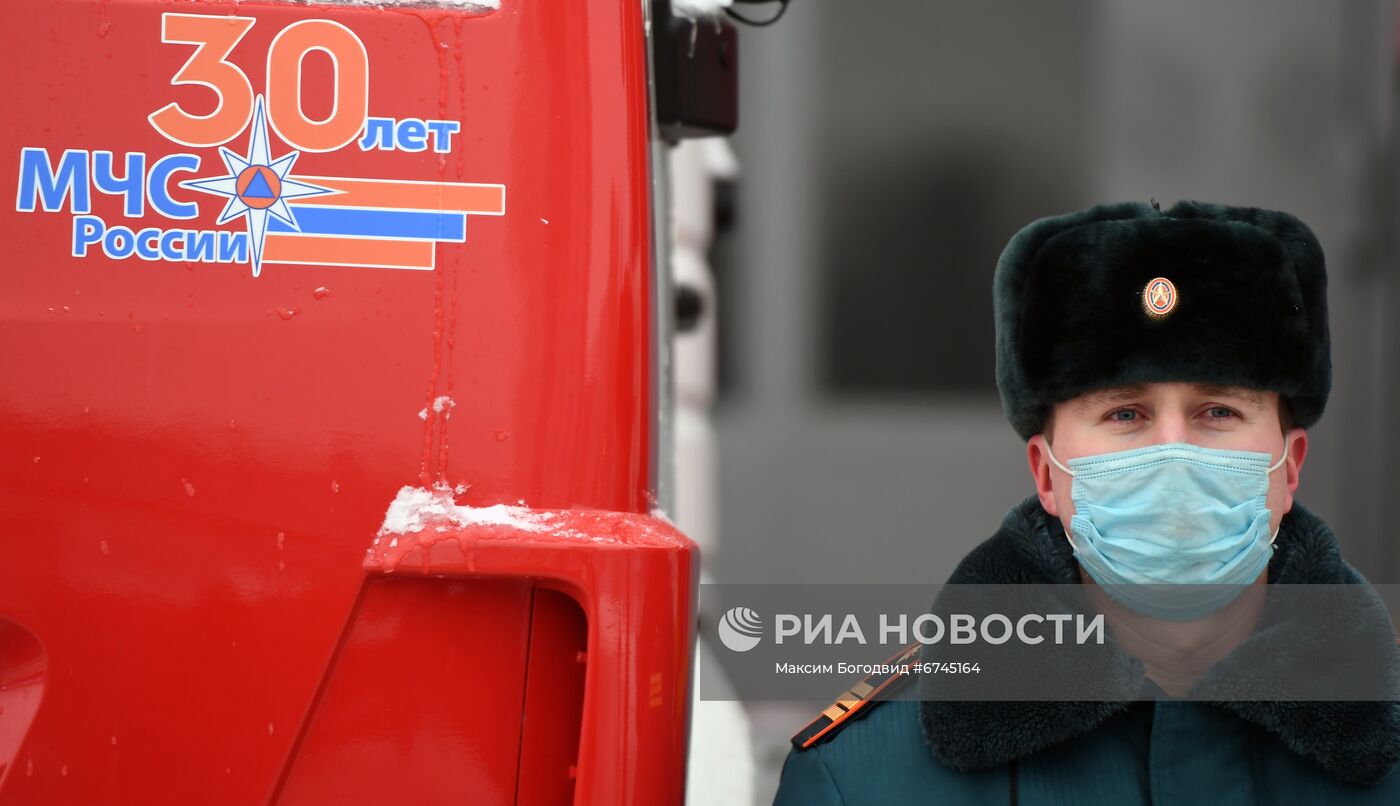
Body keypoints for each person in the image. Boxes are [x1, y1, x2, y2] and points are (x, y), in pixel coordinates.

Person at [772, 200, 1400, 804]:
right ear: (1047, 474)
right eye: (1125, 413)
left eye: (1219, 411)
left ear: (1289, 467)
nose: (1171, 453)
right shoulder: (863, 783)